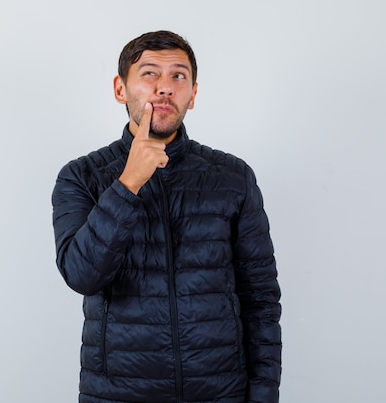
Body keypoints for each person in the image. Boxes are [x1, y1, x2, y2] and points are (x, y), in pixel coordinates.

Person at [51, 30, 281, 403]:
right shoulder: (82, 176)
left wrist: (264, 394)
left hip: (220, 392)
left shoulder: (232, 176)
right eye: (149, 74)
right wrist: (129, 183)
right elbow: (82, 275)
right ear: (120, 89)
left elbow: (261, 299)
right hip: (118, 393)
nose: (164, 87)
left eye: (178, 75)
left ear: (192, 95)